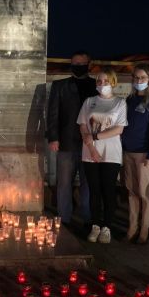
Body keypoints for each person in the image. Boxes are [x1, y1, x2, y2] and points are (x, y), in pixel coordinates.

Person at [47, 51, 97, 231]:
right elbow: (53, 113)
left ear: (89, 64)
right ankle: (64, 217)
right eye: (74, 63)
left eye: (81, 63)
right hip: (67, 142)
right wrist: (53, 137)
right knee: (64, 183)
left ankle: (88, 218)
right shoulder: (60, 86)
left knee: (88, 183)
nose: (77, 66)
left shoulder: (97, 85)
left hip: (90, 143)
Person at [77, 68, 127, 244]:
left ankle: (107, 227)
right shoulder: (89, 101)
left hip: (111, 153)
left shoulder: (120, 103)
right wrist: (91, 148)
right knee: (94, 191)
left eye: (106, 81)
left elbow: (119, 128)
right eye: (99, 81)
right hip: (89, 152)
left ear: (113, 82)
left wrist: (96, 137)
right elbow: (83, 126)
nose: (102, 84)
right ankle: (95, 225)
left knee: (108, 190)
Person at [120, 63, 149, 243]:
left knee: (144, 193)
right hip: (127, 152)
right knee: (131, 191)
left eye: (143, 78)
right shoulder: (129, 100)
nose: (139, 81)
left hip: (145, 154)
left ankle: (144, 230)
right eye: (136, 78)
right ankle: (132, 227)